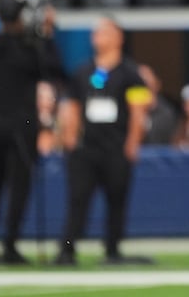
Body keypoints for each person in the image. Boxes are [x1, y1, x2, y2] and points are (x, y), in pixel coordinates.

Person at [55, 17, 152, 266]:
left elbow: (138, 111)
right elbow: (72, 105)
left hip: (116, 148)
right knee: (77, 199)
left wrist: (133, 142)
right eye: (96, 33)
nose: (99, 37)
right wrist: (70, 138)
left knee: (116, 200)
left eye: (106, 32)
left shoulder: (132, 73)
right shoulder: (82, 72)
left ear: (119, 37)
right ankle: (67, 249)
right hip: (86, 148)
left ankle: (112, 249)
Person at [0, 0, 63, 265]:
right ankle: (10, 245)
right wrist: (46, 33)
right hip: (21, 125)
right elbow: (54, 70)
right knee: (19, 186)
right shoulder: (29, 50)